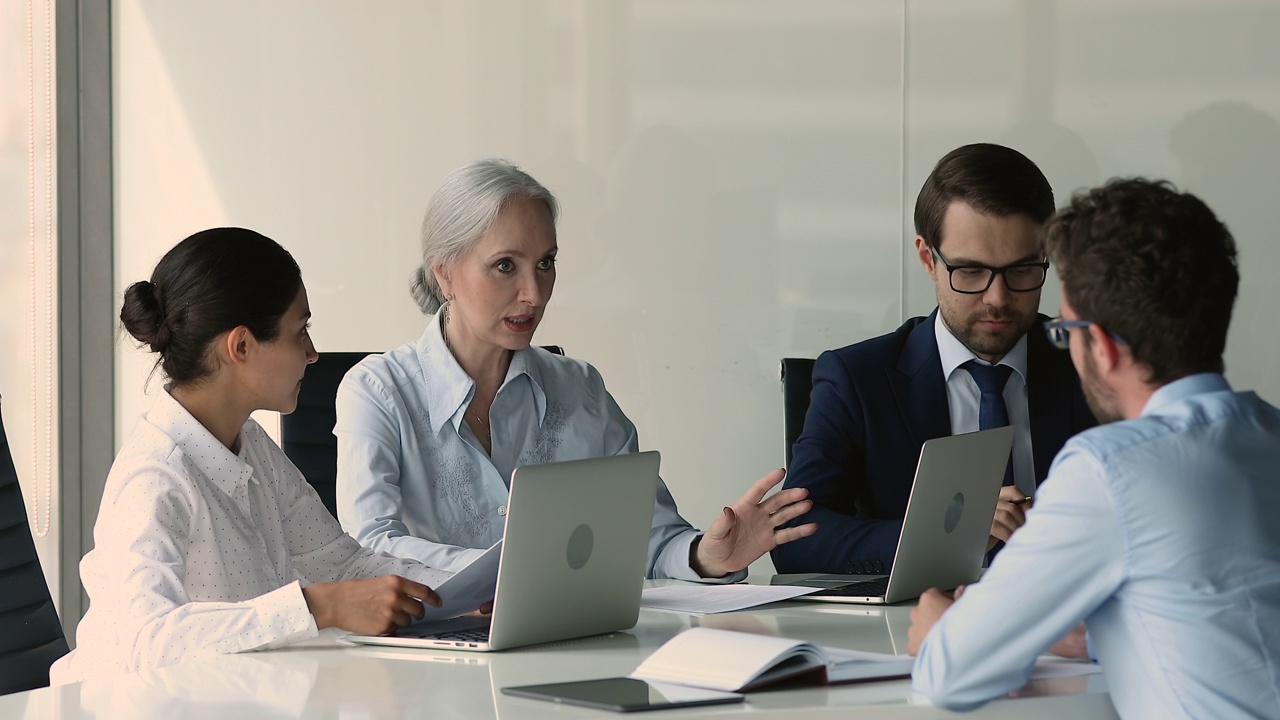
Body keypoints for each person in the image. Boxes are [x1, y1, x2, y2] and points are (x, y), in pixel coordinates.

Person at [335, 158, 815, 580]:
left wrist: (705, 556)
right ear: (444, 272)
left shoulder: (580, 388)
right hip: (427, 664)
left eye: (545, 264)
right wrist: (509, 568)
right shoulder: (377, 391)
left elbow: (644, 536)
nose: (535, 293)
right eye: (506, 266)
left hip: (568, 651)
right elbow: (369, 547)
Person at [909, 179, 1280, 719]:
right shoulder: (1269, 434)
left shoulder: (1110, 469)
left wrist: (939, 629)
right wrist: (1101, 636)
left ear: (1100, 346)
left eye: (1068, 331)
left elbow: (951, 677)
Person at [51, 228, 451, 685]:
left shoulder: (251, 443)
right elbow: (150, 642)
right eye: (300, 331)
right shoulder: (153, 476)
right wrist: (319, 606)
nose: (313, 353)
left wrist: (467, 588)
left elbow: (343, 565)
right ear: (240, 346)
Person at [772, 143, 1096, 575]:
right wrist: (942, 536)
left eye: (1022, 271)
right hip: (912, 630)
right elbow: (795, 534)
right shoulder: (856, 378)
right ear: (928, 259)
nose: (998, 298)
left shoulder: (1091, 362)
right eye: (971, 272)